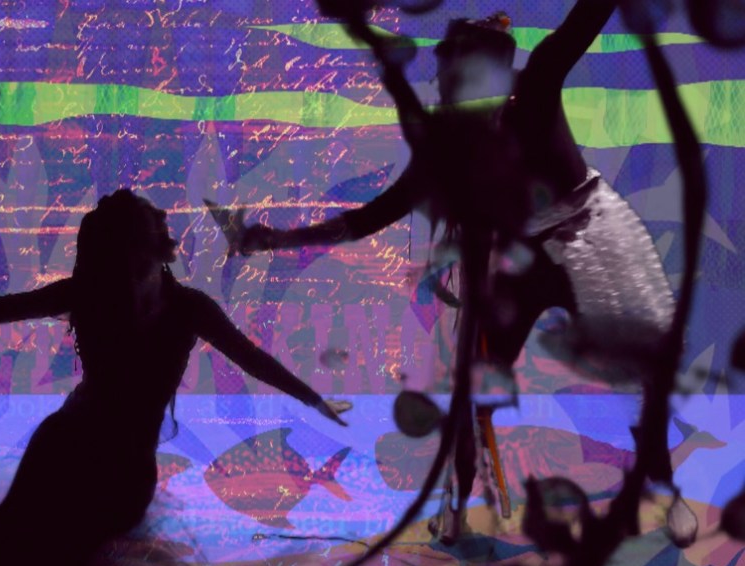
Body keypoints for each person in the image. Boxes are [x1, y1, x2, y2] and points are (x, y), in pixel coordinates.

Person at [210, 3, 675, 538]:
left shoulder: (538, 84)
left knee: (637, 368)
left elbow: (584, 19)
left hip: (589, 236)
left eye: (452, 69)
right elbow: (370, 217)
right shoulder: (446, 145)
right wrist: (276, 239)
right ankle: (455, 503)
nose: (442, 82)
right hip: (520, 258)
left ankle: (663, 485)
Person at [0, 189, 350, 566]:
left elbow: (251, 358)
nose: (162, 217)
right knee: (16, 531)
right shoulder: (90, 293)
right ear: (131, 240)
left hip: (126, 466)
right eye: (149, 217)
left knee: (57, 550)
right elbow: (3, 308)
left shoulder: (187, 306)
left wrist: (313, 399)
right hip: (69, 446)